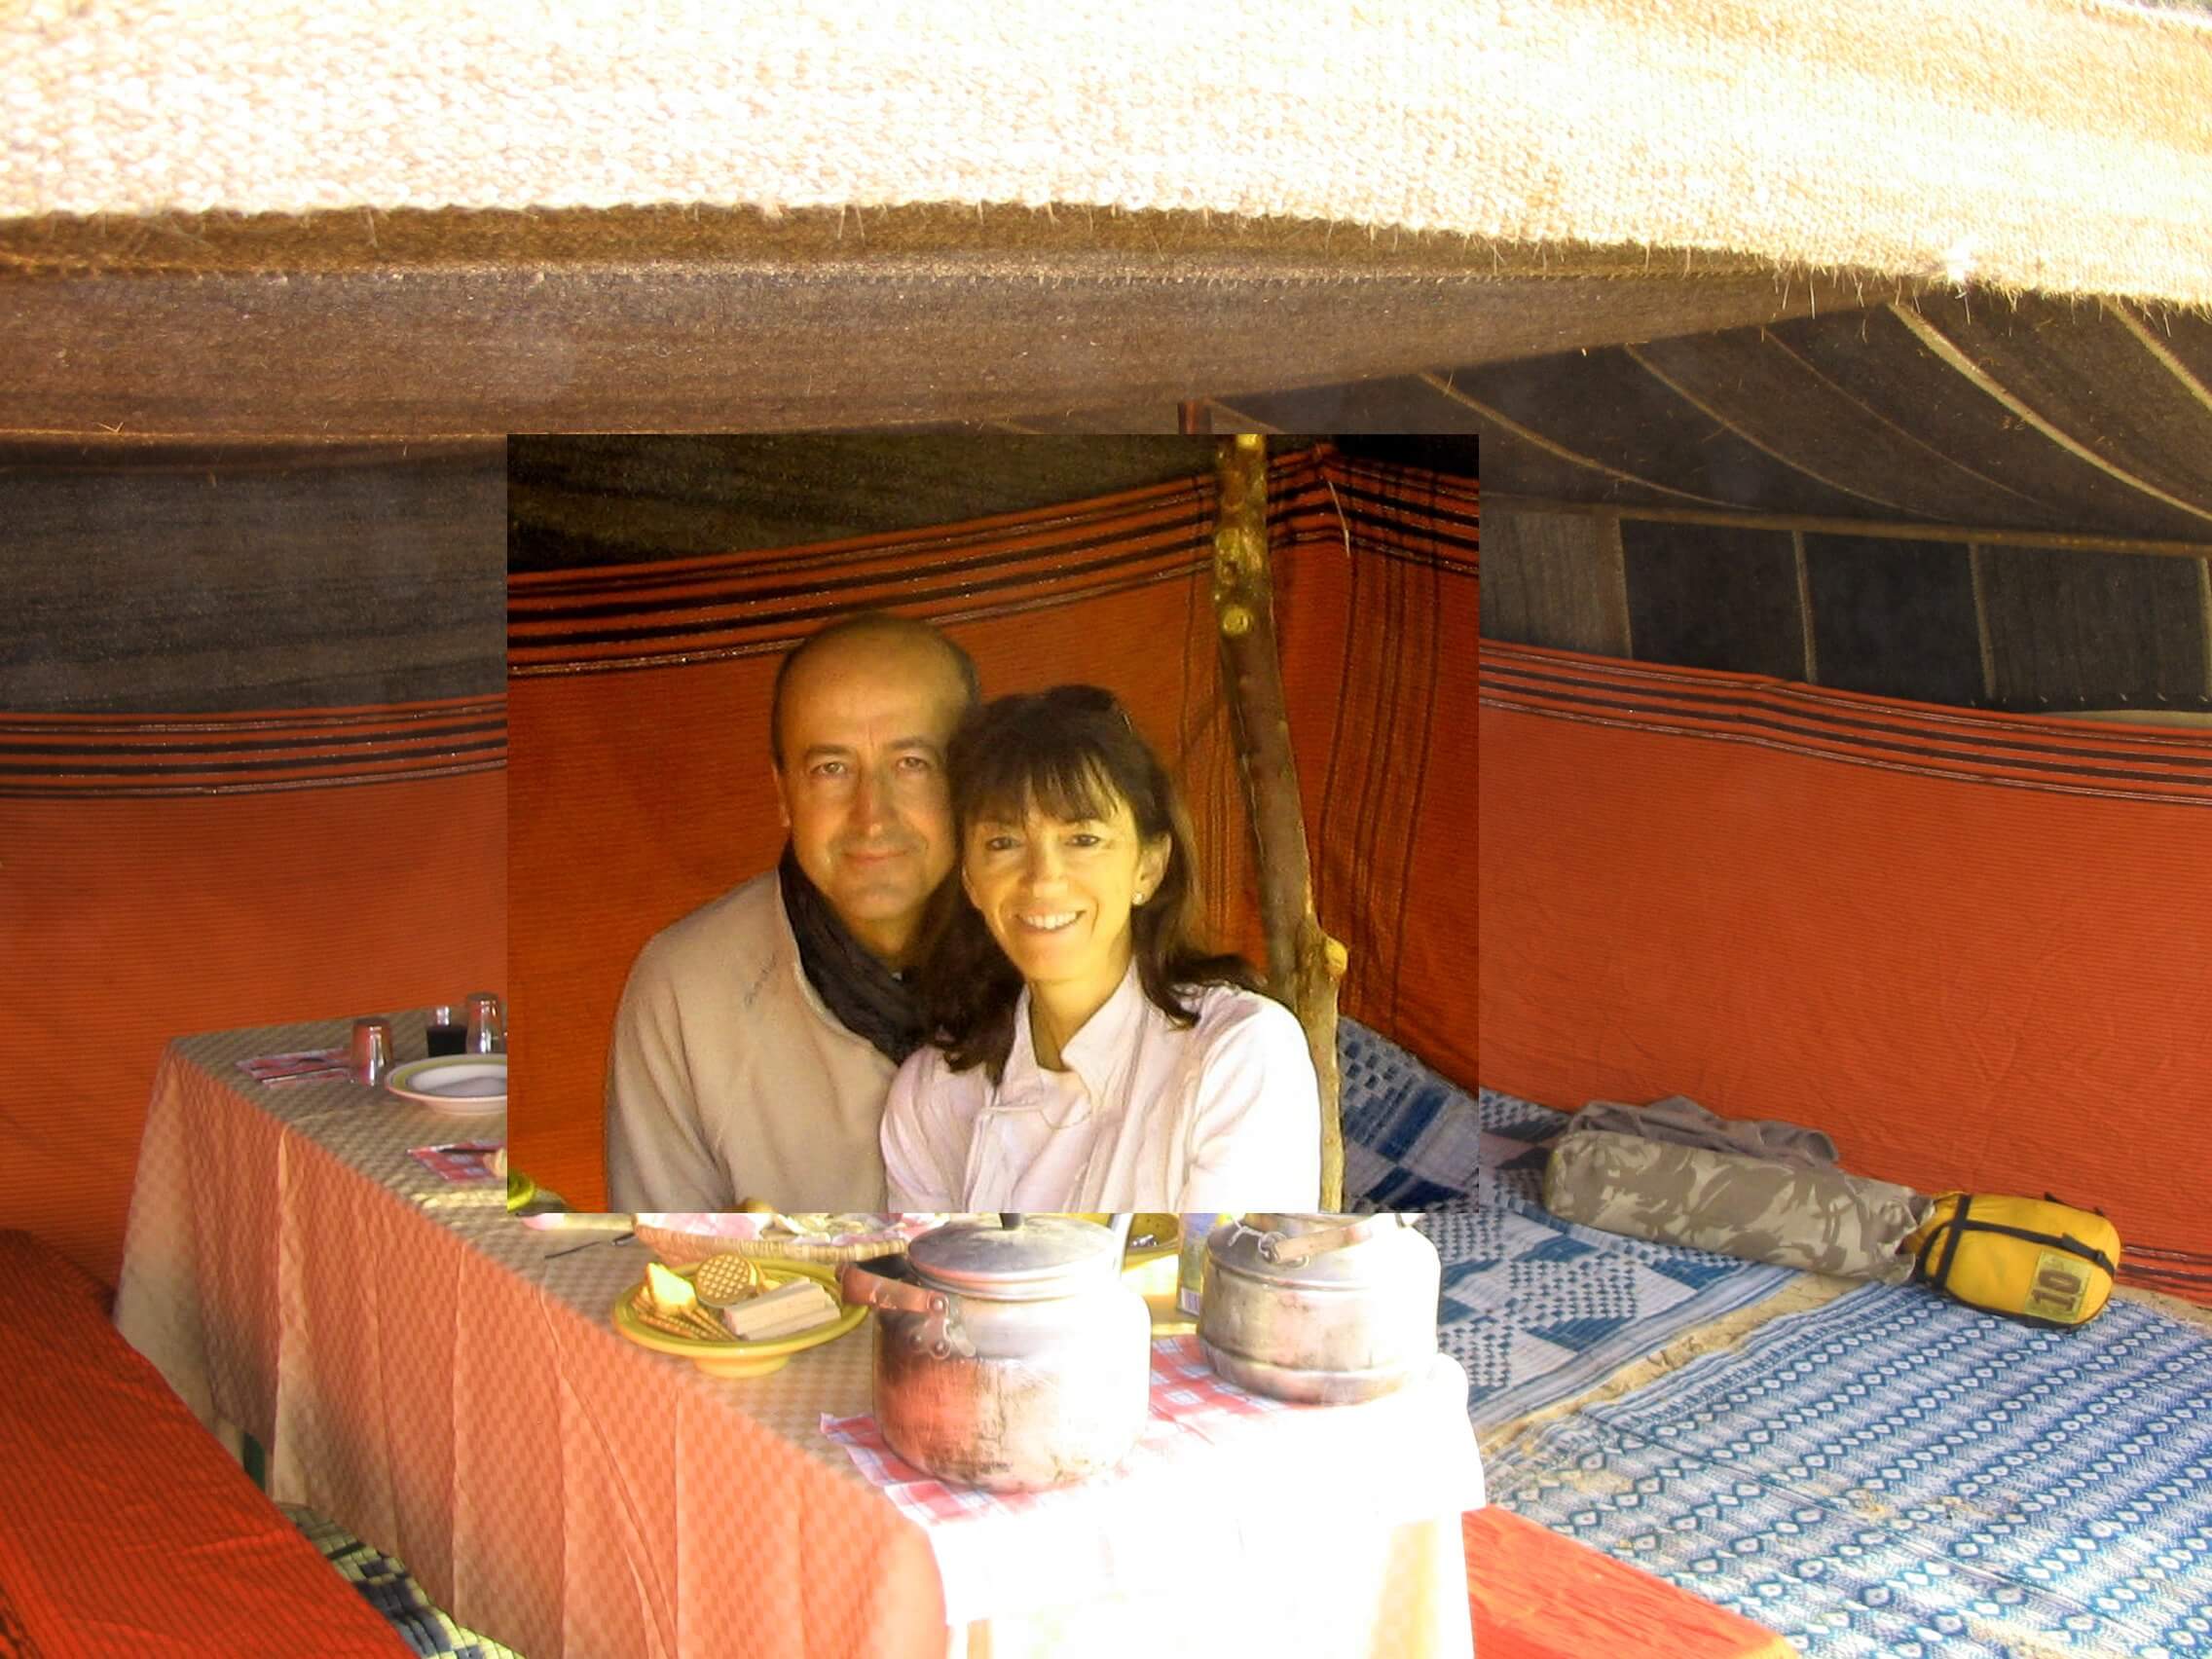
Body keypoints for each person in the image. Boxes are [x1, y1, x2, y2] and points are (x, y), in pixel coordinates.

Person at [882, 685, 1322, 1210]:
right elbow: (920, 1266)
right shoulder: (934, 1094)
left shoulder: (1235, 1053)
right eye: (1004, 843)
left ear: (1149, 867)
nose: (1043, 878)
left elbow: (1227, 1263)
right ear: (971, 881)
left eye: (1083, 839)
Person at [603, 612, 979, 1211]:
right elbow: (662, 1256)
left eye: (912, 763)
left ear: (973, 778)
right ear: (783, 794)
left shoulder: (1056, 959)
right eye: (831, 769)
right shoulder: (686, 988)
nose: (872, 816)